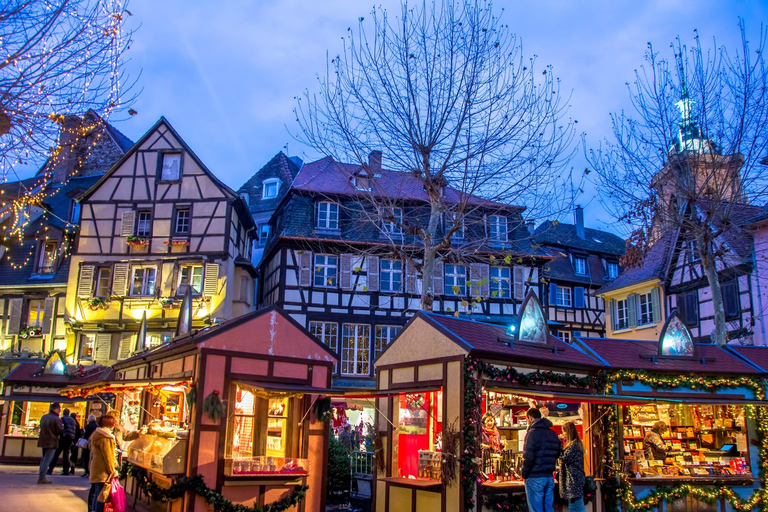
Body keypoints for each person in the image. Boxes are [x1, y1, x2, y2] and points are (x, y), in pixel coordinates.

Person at [522, 408, 562, 512]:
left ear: (530, 418)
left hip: (535, 476)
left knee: (536, 509)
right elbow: (558, 453)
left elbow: (528, 456)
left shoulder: (532, 433)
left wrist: (524, 473)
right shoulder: (553, 434)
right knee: (548, 508)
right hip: (549, 476)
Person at [89, 415, 119, 512]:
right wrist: (112, 471)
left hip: (96, 468)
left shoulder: (97, 434)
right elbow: (109, 457)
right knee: (102, 496)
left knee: (98, 494)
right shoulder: (106, 437)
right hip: (103, 471)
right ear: (111, 424)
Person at [559, 421, 586, 512]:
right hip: (574, 480)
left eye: (564, 431)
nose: (563, 434)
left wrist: (559, 443)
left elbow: (564, 458)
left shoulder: (573, 445)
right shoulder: (574, 444)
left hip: (574, 480)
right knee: (573, 506)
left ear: (569, 432)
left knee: (578, 506)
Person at [37, 402, 63, 484]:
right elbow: (59, 430)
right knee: (47, 459)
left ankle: (41, 475)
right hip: (52, 441)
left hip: (43, 440)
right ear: (56, 409)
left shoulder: (44, 417)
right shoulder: (56, 419)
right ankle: (42, 476)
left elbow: (41, 426)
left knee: (44, 458)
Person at [47, 407, 77, 475]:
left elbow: (60, 428)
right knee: (66, 454)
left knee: (57, 453)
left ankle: (50, 469)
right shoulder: (73, 420)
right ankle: (66, 470)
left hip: (63, 438)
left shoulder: (62, 419)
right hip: (70, 438)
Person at [81, 414, 99, 478]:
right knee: (92, 457)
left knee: (86, 457)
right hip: (94, 444)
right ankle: (90, 471)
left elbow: (85, 434)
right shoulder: (97, 426)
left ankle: (87, 471)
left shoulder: (88, 426)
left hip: (88, 443)